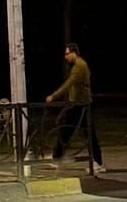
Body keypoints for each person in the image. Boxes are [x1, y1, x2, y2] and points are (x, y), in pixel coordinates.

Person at [45, 42, 105, 173]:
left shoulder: (79, 66)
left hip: (82, 106)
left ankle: (98, 163)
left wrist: (53, 96)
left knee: (88, 134)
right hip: (78, 105)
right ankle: (57, 157)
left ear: (74, 53)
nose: (65, 56)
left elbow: (68, 83)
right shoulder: (79, 65)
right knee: (66, 130)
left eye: (67, 53)